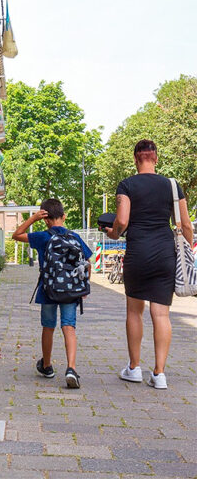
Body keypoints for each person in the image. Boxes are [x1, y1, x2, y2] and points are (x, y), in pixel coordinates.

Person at [100, 139, 193, 389]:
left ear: (135, 159)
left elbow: (121, 221)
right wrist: (189, 251)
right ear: (156, 158)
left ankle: (134, 368)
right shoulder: (173, 186)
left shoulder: (127, 184)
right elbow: (185, 225)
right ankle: (159, 374)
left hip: (138, 252)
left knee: (134, 311)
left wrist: (113, 234)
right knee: (161, 313)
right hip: (165, 254)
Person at [13, 199, 93, 388]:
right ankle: (71, 368)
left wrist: (33, 218)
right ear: (64, 217)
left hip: (48, 289)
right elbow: (87, 261)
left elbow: (17, 235)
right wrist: (83, 286)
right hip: (71, 290)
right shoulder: (74, 237)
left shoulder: (42, 237)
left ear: (45, 219)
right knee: (69, 327)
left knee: (48, 326)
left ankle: (47, 365)